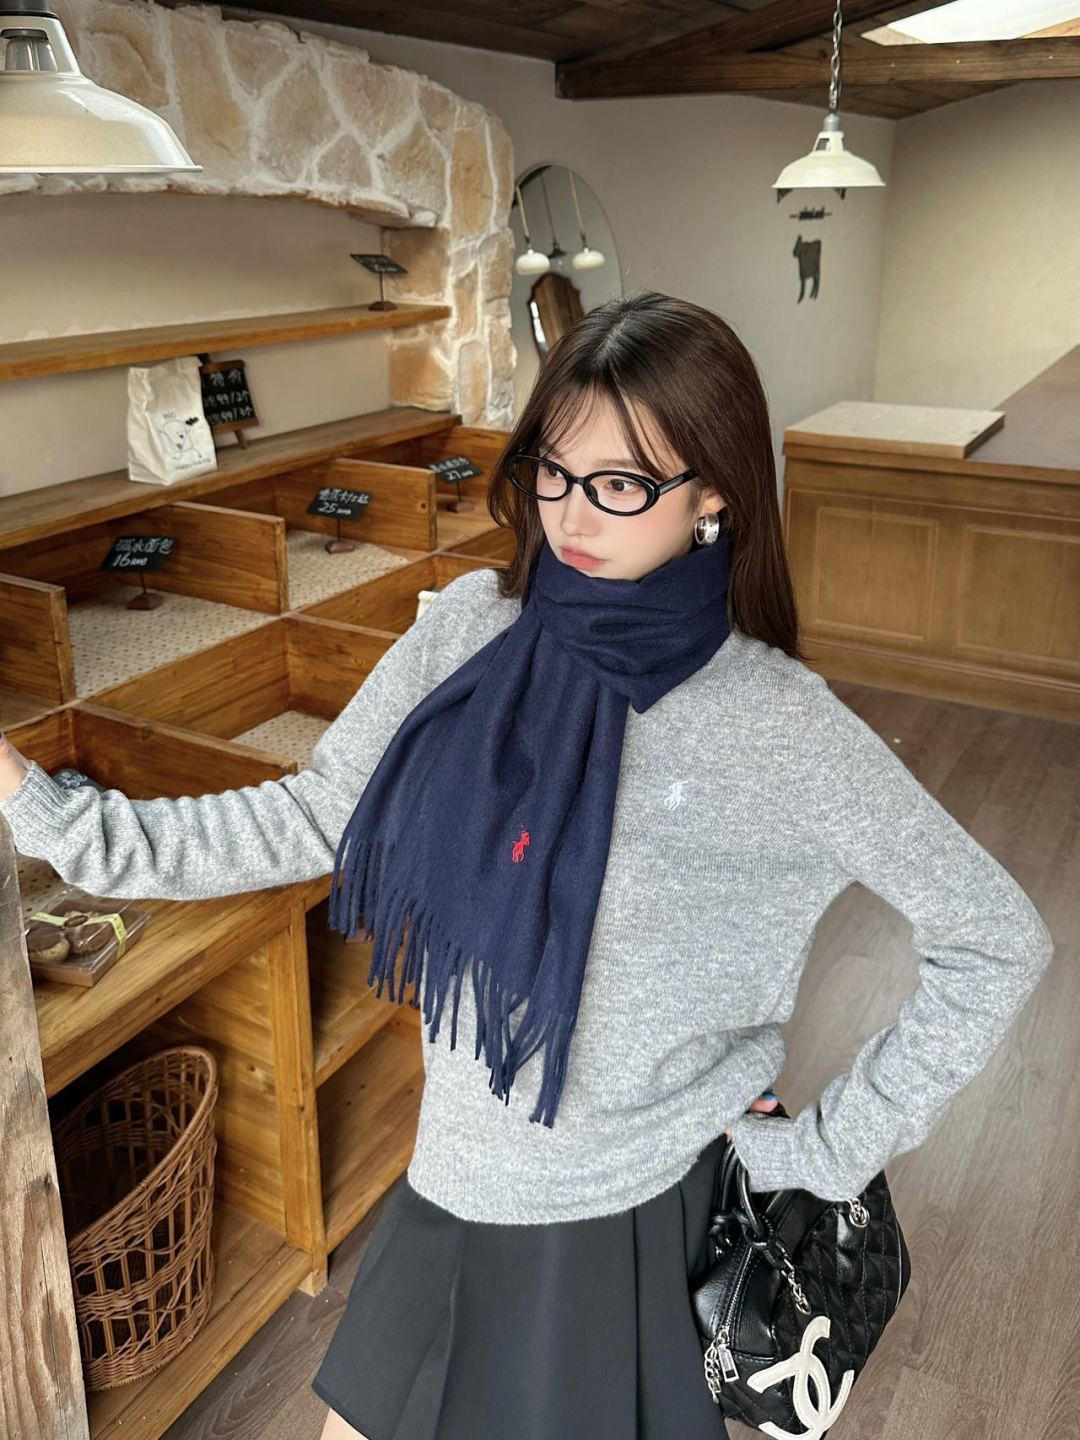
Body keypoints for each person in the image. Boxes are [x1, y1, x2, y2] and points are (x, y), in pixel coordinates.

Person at [0, 291, 1054, 1440]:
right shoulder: (469, 628)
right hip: (457, 1172)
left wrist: (826, 1152)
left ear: (713, 493)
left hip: (630, 1213)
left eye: (620, 483)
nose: (572, 513)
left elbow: (997, 940)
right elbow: (314, 816)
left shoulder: (778, 726)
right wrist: (52, 817)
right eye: (553, 470)